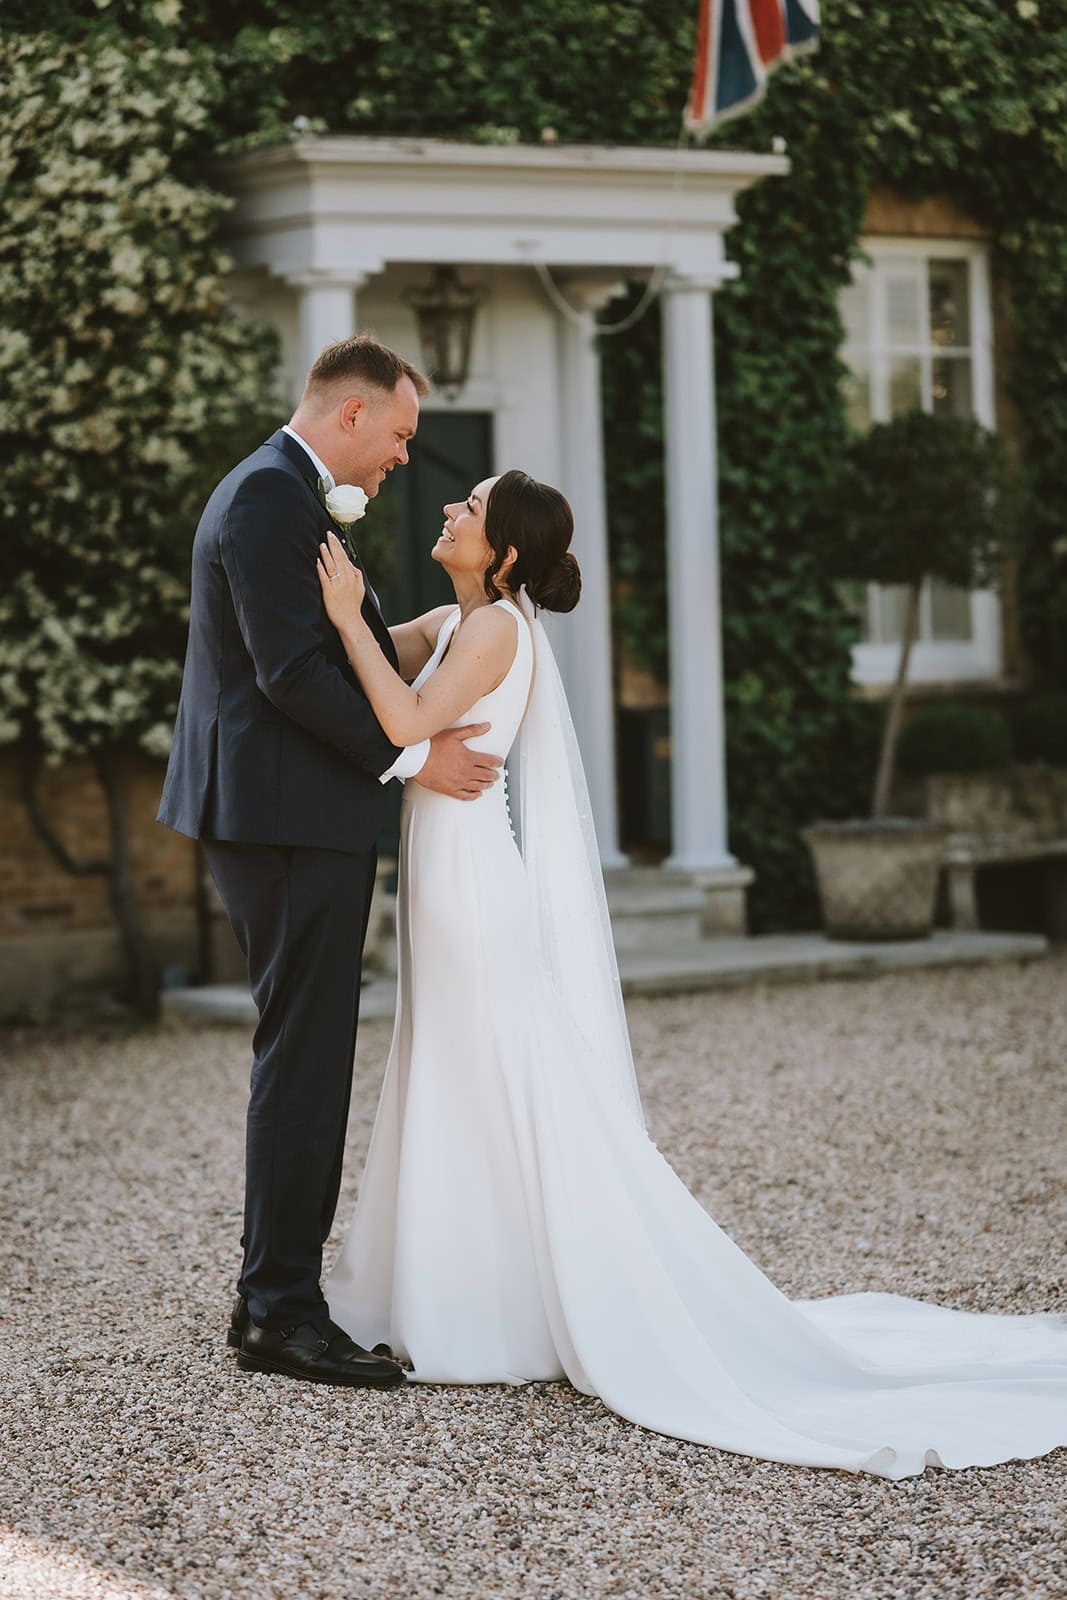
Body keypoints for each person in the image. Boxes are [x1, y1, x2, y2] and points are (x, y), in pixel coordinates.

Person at [315, 468, 1067, 1479]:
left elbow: (404, 722)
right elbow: (373, 648)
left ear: (499, 551)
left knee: (493, 1072)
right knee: (451, 1070)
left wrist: (339, 614)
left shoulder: (496, 630)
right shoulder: (456, 620)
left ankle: (495, 1314)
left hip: (476, 889)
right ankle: (465, 1296)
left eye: (471, 506)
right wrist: (333, 591)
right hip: (446, 881)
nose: (449, 506)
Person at [157, 336, 505, 1390]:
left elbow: (326, 648)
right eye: (400, 434)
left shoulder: (277, 494)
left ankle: (277, 1294)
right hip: (283, 813)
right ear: (350, 414)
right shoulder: (271, 499)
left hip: (286, 809)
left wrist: (424, 645)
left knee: (307, 1051)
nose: (406, 456)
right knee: (304, 1057)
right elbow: (289, 675)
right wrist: (411, 754)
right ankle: (278, 1313)